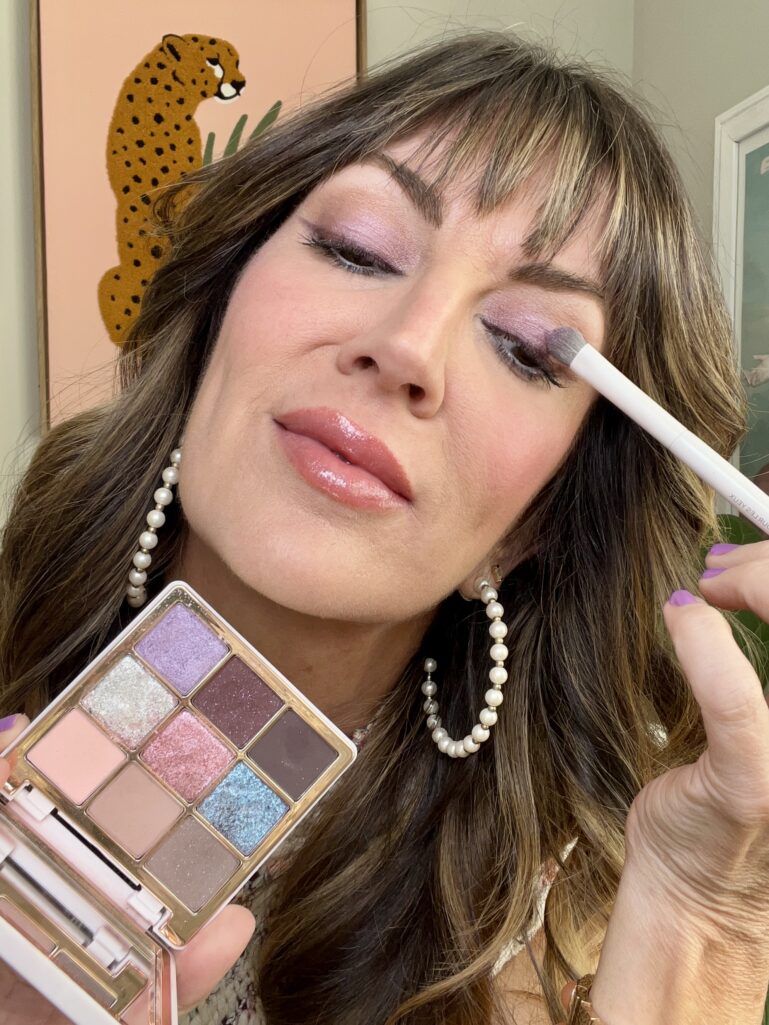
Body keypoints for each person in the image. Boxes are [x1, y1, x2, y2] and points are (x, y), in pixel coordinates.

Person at [1, 26, 769, 1025]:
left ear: (532, 521)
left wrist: (698, 936)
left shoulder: (562, 937)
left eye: (527, 346)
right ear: (218, 310)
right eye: (356, 247)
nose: (407, 345)